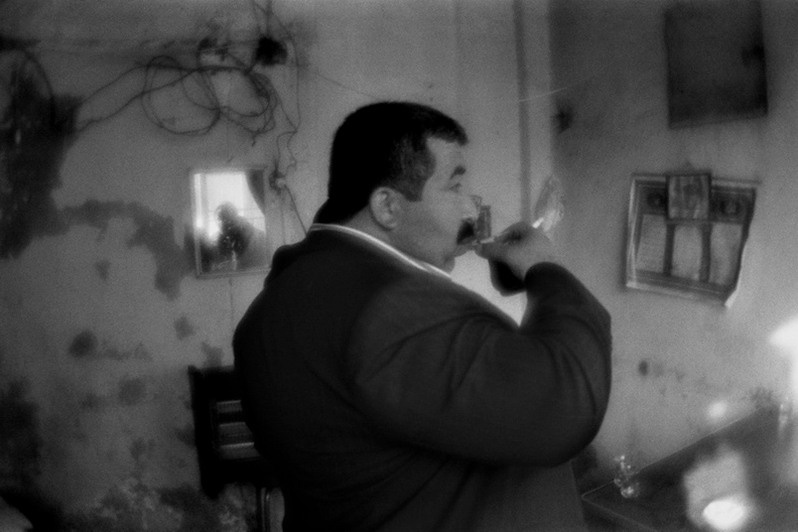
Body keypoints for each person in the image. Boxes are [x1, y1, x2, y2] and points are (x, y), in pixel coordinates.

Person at [233, 101, 612, 531]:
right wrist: (548, 271)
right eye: (453, 187)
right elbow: (566, 405)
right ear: (388, 207)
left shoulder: (281, 300)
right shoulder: (388, 309)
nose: (470, 210)